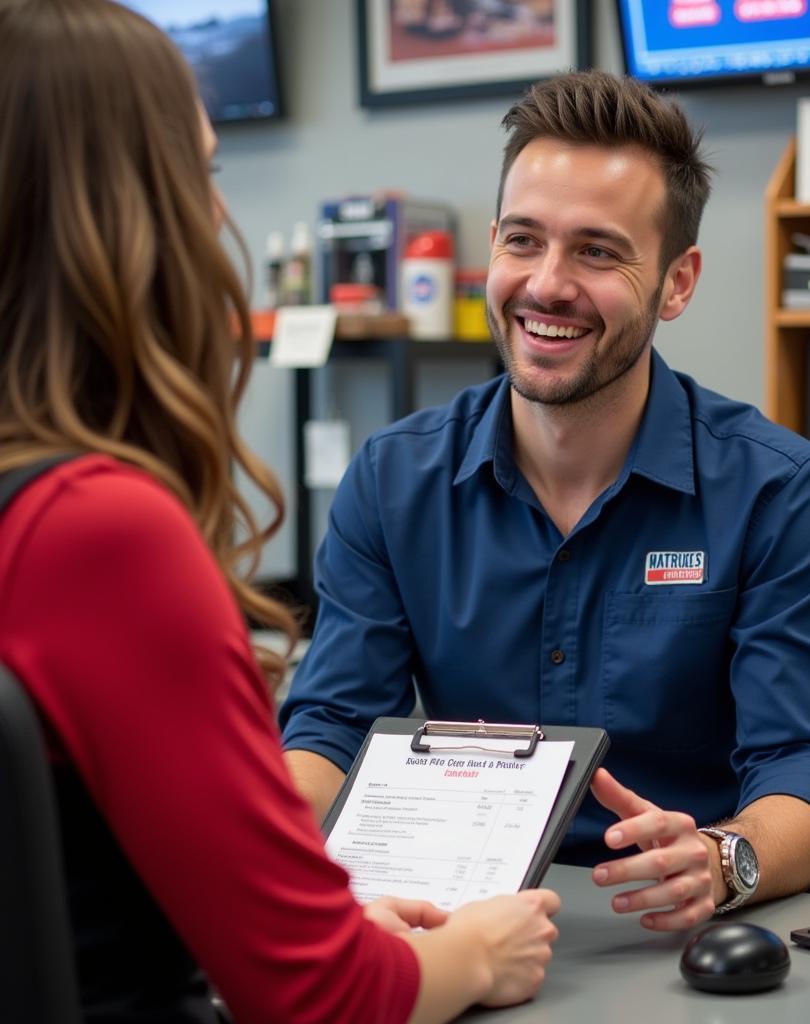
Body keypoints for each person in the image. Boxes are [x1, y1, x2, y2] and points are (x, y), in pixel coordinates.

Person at [0, 2, 561, 1022]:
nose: (219, 218)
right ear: (136, 209)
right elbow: (319, 995)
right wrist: (476, 953)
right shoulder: (100, 532)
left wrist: (307, 916)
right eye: (203, 174)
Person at [280, 69, 810, 930]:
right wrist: (275, 849)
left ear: (677, 282)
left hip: (676, 934)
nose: (547, 284)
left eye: (597, 251)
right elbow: (332, 726)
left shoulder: (776, 492)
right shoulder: (393, 480)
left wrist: (721, 859)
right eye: (523, 241)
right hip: (461, 925)